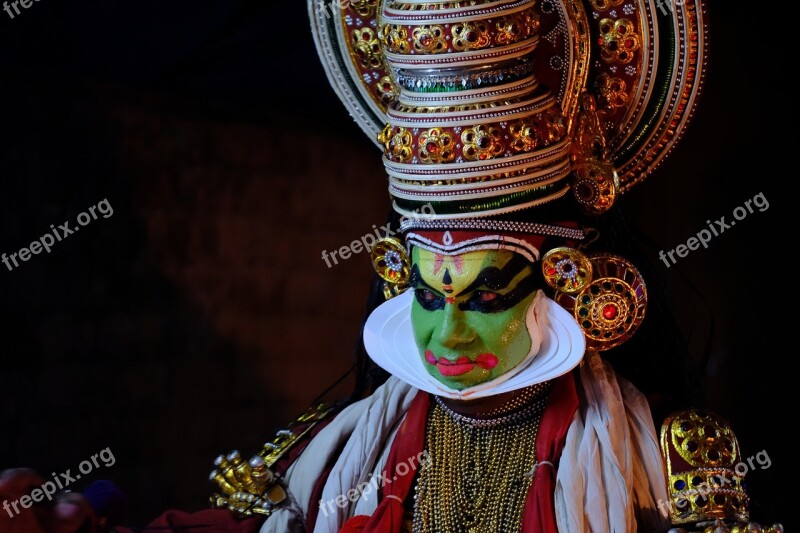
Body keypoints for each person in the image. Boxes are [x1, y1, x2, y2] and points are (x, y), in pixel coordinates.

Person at [0, 0, 784, 531]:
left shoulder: (663, 468)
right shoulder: (339, 453)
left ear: (570, 286)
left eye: (485, 294)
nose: (447, 332)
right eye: (425, 290)